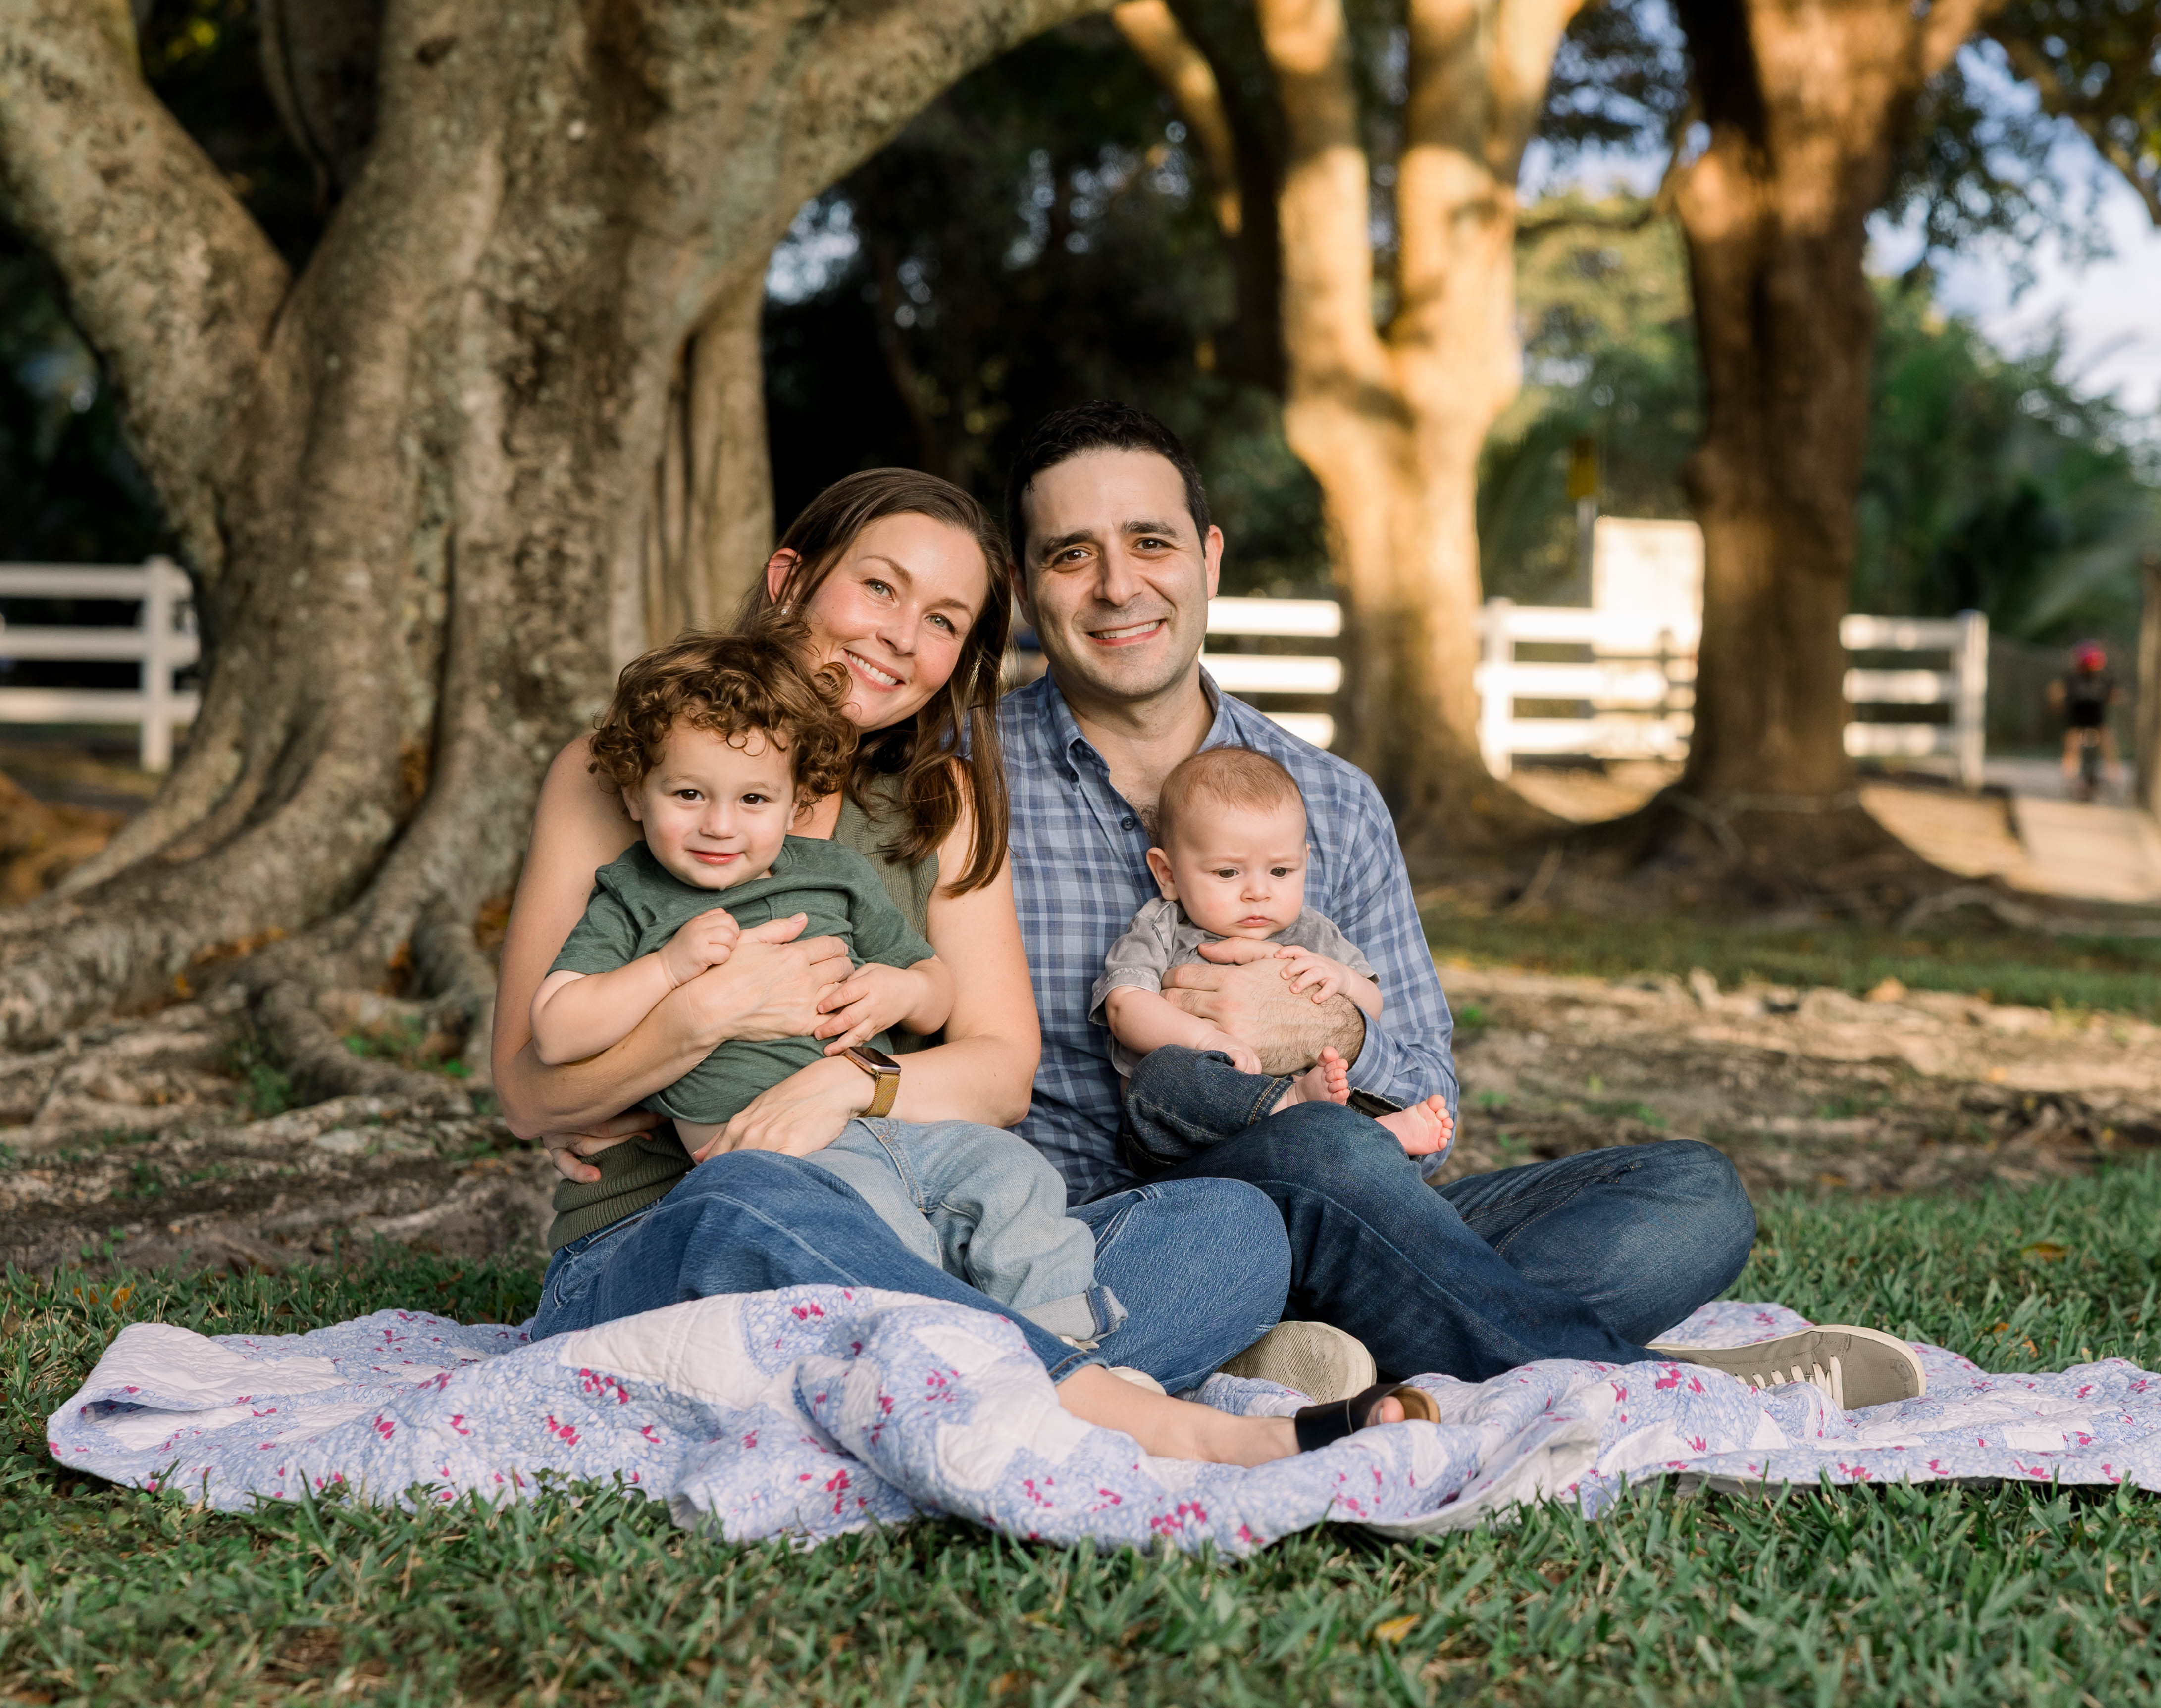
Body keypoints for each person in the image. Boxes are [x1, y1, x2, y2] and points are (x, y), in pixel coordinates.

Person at [995, 400, 1927, 1410]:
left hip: (1350, 1202)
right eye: (1070, 555)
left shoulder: (1332, 800)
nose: (1118, 584)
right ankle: (1634, 1389)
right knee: (1315, 1153)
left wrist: (1324, 1021)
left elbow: (1430, 1099)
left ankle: (1323, 1351)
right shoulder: (956, 787)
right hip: (1124, 1248)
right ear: (1023, 583)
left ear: (1208, 558)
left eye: (1149, 542)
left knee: (1691, 1199)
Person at [493, 468, 1420, 1464]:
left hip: (903, 1221)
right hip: (662, 1237)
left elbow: (998, 1070)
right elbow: (528, 1089)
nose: (900, 635)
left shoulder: (936, 804)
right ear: (789, 582)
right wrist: (701, 1016)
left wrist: (845, 1083)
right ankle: (1152, 1417)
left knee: (1230, 1228)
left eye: (942, 621)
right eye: (879, 589)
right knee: (757, 1197)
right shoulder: (624, 775)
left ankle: (905, 1384)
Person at [533, 619, 1119, 1344]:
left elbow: (936, 986)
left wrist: (902, 992)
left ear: (793, 800)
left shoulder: (834, 874)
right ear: (634, 795)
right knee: (871, 1226)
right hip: (785, 1163)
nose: (720, 824)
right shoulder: (634, 898)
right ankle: (957, 1357)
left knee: (1017, 1175)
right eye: (688, 793)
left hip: (892, 1127)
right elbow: (556, 1028)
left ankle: (1069, 1342)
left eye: (753, 800)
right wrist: (669, 971)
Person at [1093, 744, 1454, 1178]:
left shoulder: (1313, 933)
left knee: (1334, 1077)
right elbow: (1124, 1006)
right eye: (1228, 873)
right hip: (1183, 1144)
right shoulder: (1162, 926)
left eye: (1280, 872)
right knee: (1162, 1073)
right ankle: (1310, 1118)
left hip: (1289, 1139)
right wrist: (1207, 1042)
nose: (1258, 892)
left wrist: (1341, 979)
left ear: (1304, 861)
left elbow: (1370, 1011)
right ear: (1168, 875)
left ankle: (1369, 1136)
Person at [2050, 641, 2122, 801]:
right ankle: (2069, 778)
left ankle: (2114, 777)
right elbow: (2057, 691)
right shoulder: (2072, 677)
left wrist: (2114, 698)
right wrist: (2058, 702)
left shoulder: (2105, 678)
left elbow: (2115, 695)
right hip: (2076, 720)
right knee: (2072, 746)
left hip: (2097, 720)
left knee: (2108, 743)